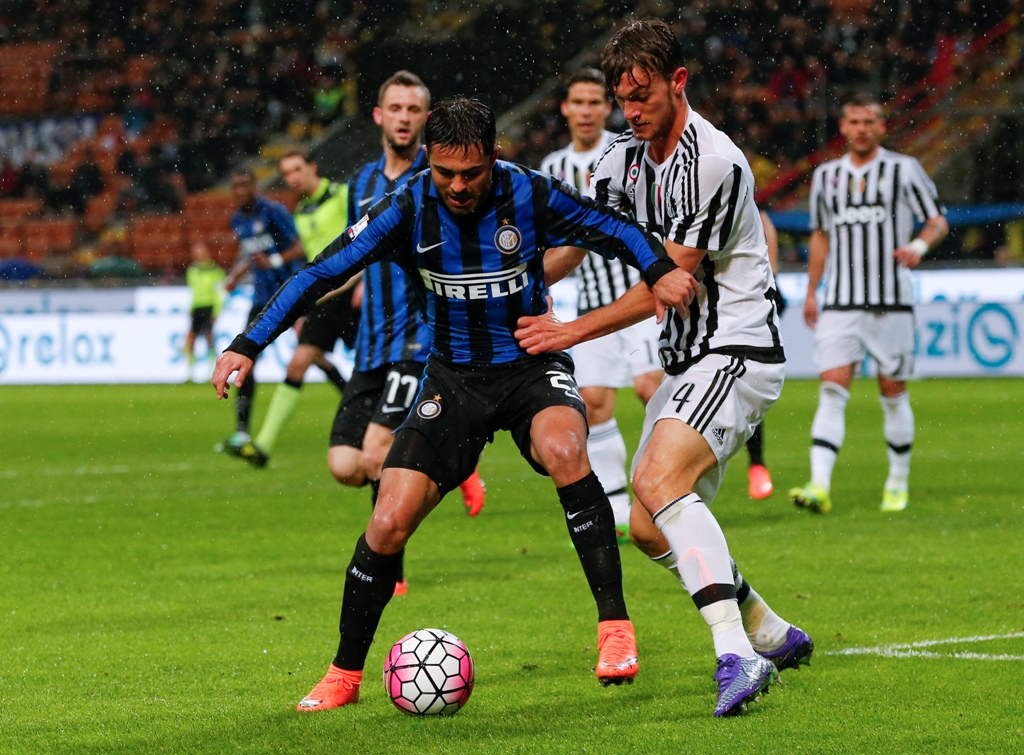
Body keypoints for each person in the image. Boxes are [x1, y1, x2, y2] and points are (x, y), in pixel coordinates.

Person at [211, 96, 699, 712]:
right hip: (452, 381)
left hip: (529, 364)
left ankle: (615, 629)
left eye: (472, 173)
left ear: (495, 157)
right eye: (446, 173)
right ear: (427, 161)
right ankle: (344, 672)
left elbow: (618, 229)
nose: (459, 186)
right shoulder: (406, 206)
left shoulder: (532, 193)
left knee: (565, 449)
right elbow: (318, 273)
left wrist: (657, 269)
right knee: (387, 521)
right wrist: (248, 343)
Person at [515, 19, 813, 718]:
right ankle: (771, 629)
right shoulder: (619, 161)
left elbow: (669, 277)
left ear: (679, 81)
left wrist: (569, 328)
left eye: (643, 95)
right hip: (685, 361)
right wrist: (516, 281)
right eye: (623, 98)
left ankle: (735, 654)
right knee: (650, 525)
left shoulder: (716, 161)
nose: (632, 111)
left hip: (739, 348)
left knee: (653, 479)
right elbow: (581, 244)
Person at [328, 71, 485, 539]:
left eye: (413, 110)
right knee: (345, 465)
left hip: (419, 337)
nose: (404, 118)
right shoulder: (362, 183)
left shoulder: (438, 177)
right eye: (395, 108)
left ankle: (387, 563)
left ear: (427, 118)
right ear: (379, 115)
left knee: (377, 453)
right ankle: (456, 461)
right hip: (371, 342)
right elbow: (354, 258)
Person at [789, 92, 948, 515]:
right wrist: (811, 290)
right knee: (831, 389)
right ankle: (819, 485)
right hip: (840, 301)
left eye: (870, 121)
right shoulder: (826, 177)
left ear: (882, 126)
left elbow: (937, 220)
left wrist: (917, 245)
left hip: (890, 301)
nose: (861, 128)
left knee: (892, 392)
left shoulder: (904, 169)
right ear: (843, 127)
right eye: (854, 121)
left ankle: (897, 483)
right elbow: (820, 235)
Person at [539, 67, 664, 541]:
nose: (587, 111)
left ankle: (662, 487)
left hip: (638, 294)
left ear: (606, 108)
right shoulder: (552, 168)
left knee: (651, 389)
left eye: (596, 102)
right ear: (566, 109)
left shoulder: (630, 151)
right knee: (593, 403)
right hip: (590, 300)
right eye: (579, 102)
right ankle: (616, 504)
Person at [234, 149, 361, 468]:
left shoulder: (344, 194)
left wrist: (367, 282)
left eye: (296, 170)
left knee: (379, 363)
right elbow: (308, 255)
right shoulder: (300, 212)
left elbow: (373, 235)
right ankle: (262, 444)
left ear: (312, 168)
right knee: (299, 363)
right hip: (325, 298)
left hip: (357, 291)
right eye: (286, 173)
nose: (292, 178)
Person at [217, 169, 306, 456]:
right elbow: (251, 254)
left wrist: (276, 259)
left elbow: (300, 245)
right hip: (262, 299)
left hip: (290, 293)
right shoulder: (237, 219)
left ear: (253, 186)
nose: (240, 190)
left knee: (312, 353)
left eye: (245, 184)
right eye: (236, 185)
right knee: (246, 356)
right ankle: (242, 431)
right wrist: (235, 275)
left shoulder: (273, 212)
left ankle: (356, 406)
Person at [744, 210, 784, 500]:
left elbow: (772, 270)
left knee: (748, 385)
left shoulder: (757, 215)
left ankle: (757, 465)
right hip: (705, 314)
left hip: (747, 307)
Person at [183, 240, 226, 381]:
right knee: (191, 339)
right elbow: (193, 291)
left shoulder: (216, 271)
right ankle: (190, 371)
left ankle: (211, 369)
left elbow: (219, 293)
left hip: (209, 307)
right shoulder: (192, 271)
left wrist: (217, 311)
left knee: (209, 337)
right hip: (197, 307)